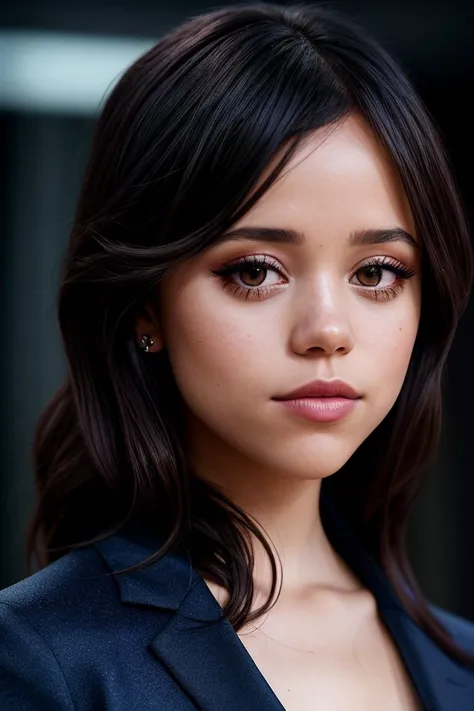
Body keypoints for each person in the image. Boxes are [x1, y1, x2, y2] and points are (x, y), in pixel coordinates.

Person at [0, 2, 473, 709]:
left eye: (377, 272)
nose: (327, 329)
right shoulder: (43, 655)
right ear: (144, 304)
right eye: (255, 270)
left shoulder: (460, 659)